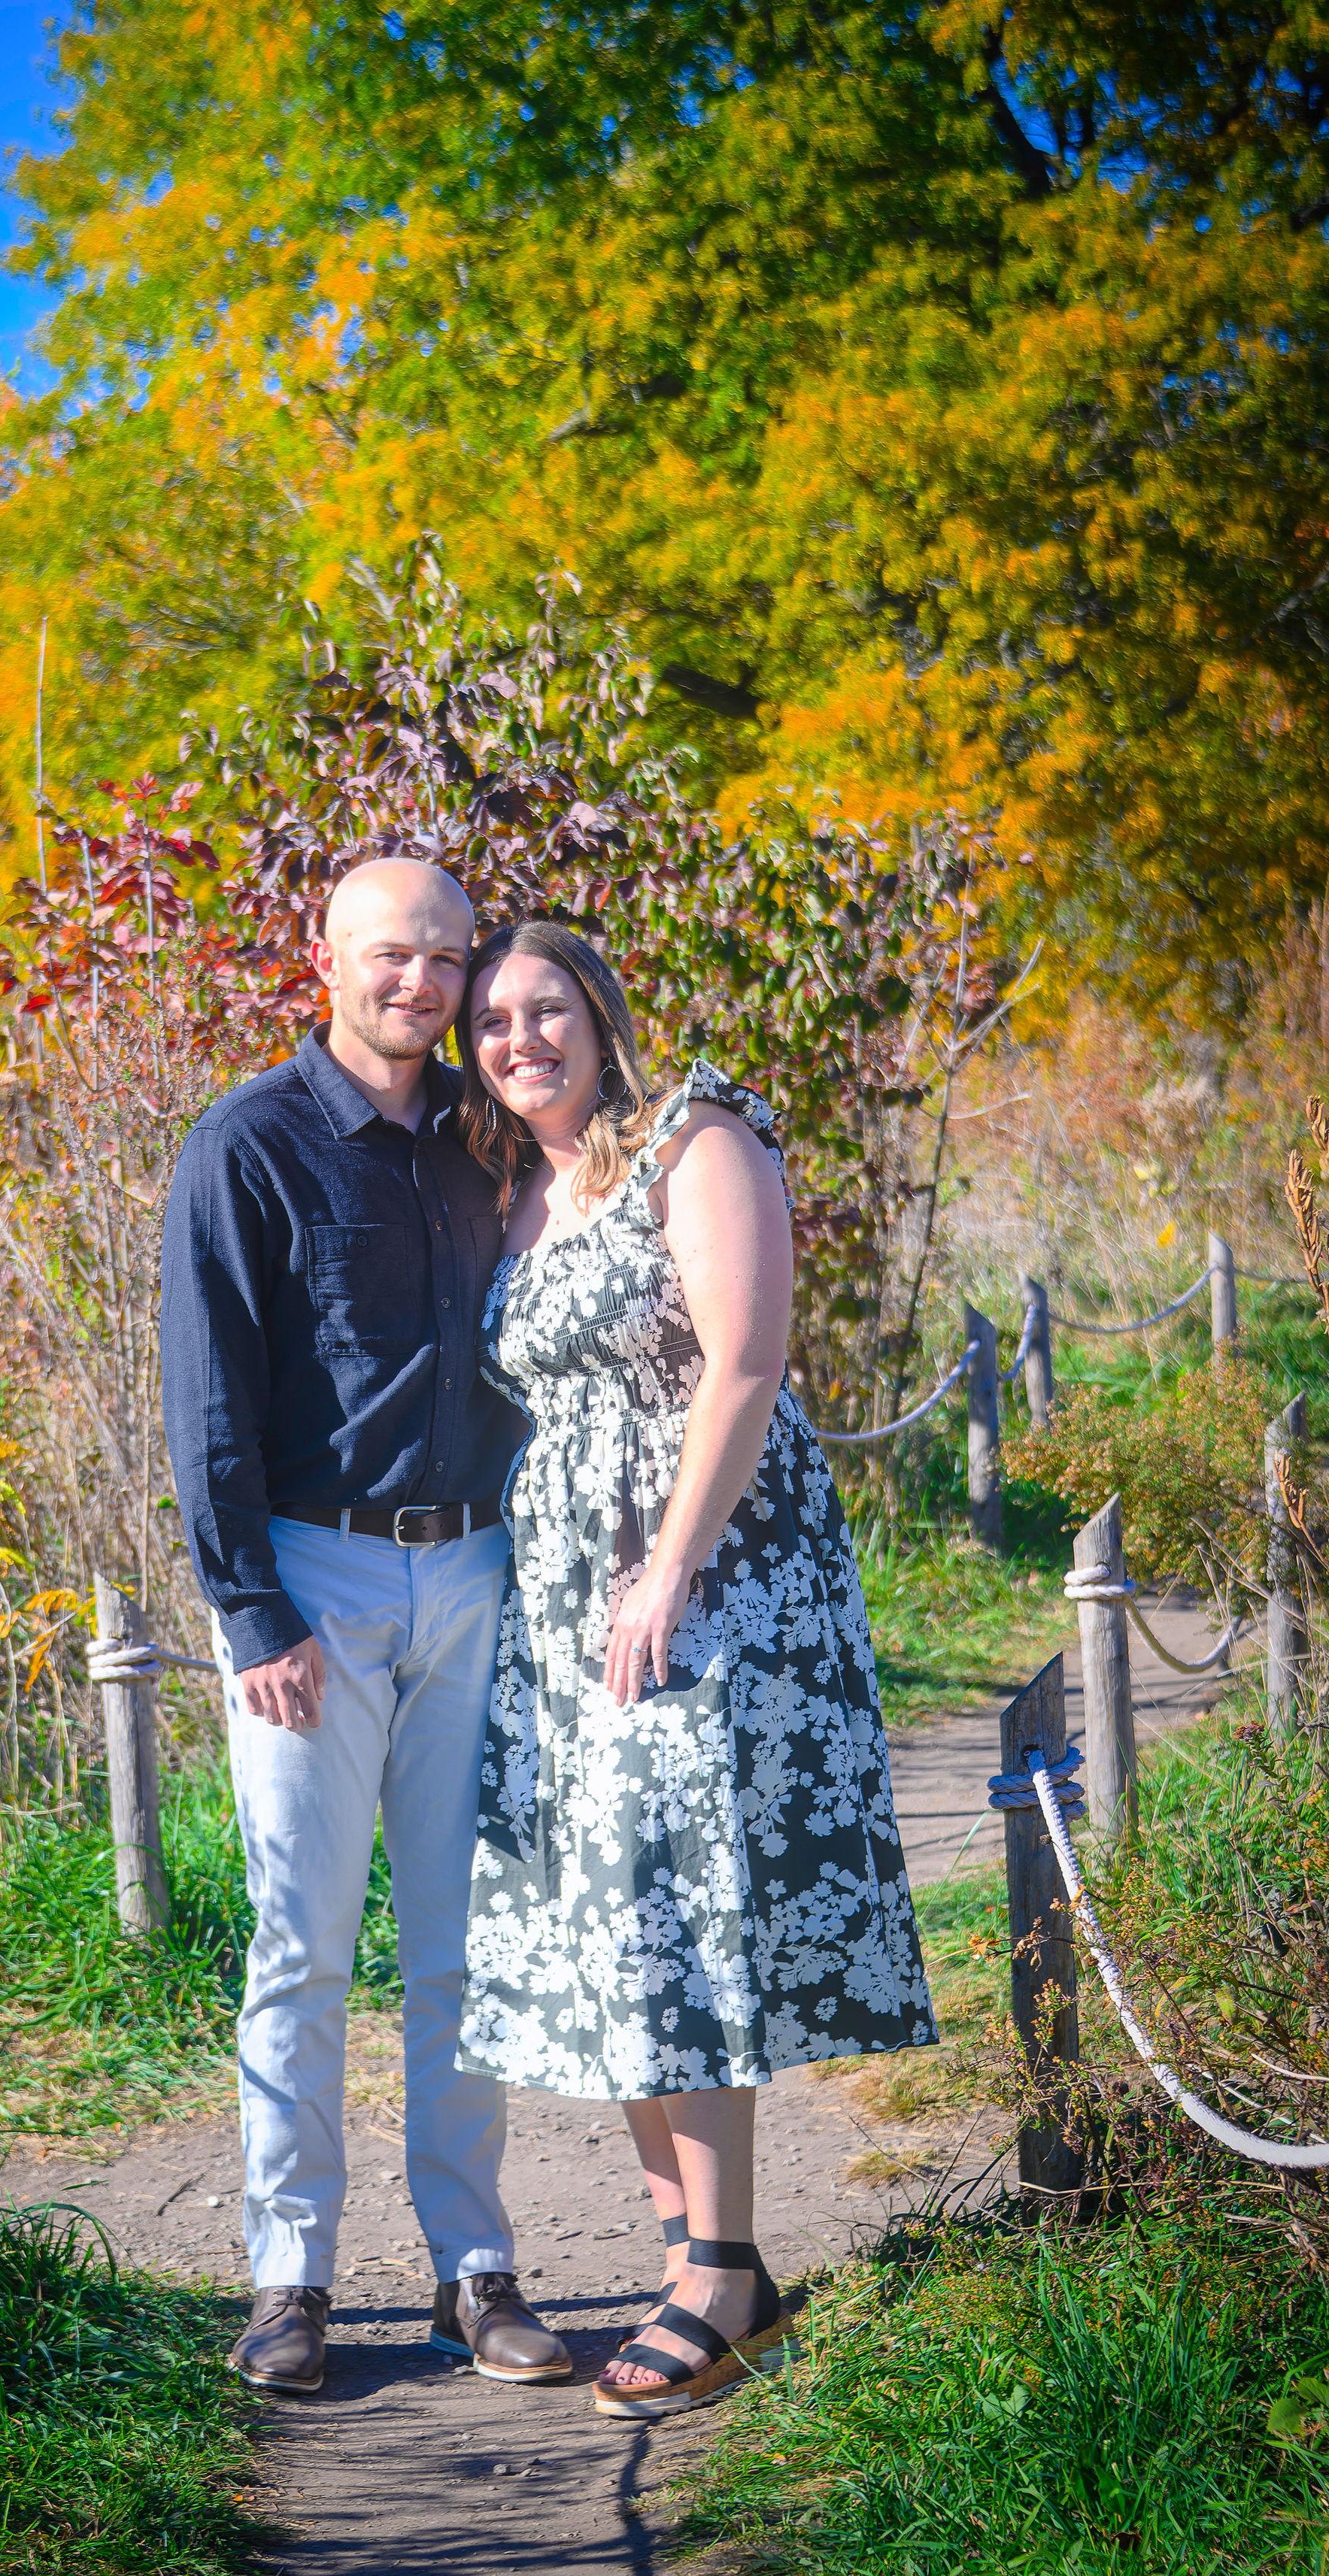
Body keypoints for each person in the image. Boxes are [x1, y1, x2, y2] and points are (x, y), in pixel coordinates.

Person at [451, 918, 937, 2419]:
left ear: (600, 1017)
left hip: (709, 1579)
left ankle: (725, 2275)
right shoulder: (521, 1195)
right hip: (565, 1607)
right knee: (612, 1915)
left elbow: (745, 1362)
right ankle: (694, 2266)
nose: (520, 1040)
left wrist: (666, 1566)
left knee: (679, 1901)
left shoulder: (694, 1137)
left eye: (546, 1008)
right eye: (491, 1023)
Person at [160, 857, 572, 2399]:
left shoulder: (486, 1140)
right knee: (303, 1949)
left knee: (466, 1953)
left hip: (476, 1583)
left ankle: (476, 2271)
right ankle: (291, 2281)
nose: (423, 982)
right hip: (311, 1590)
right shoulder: (248, 1145)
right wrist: (249, 1606)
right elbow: (206, 1395)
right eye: (394, 953)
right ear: (327, 957)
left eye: (448, 958)